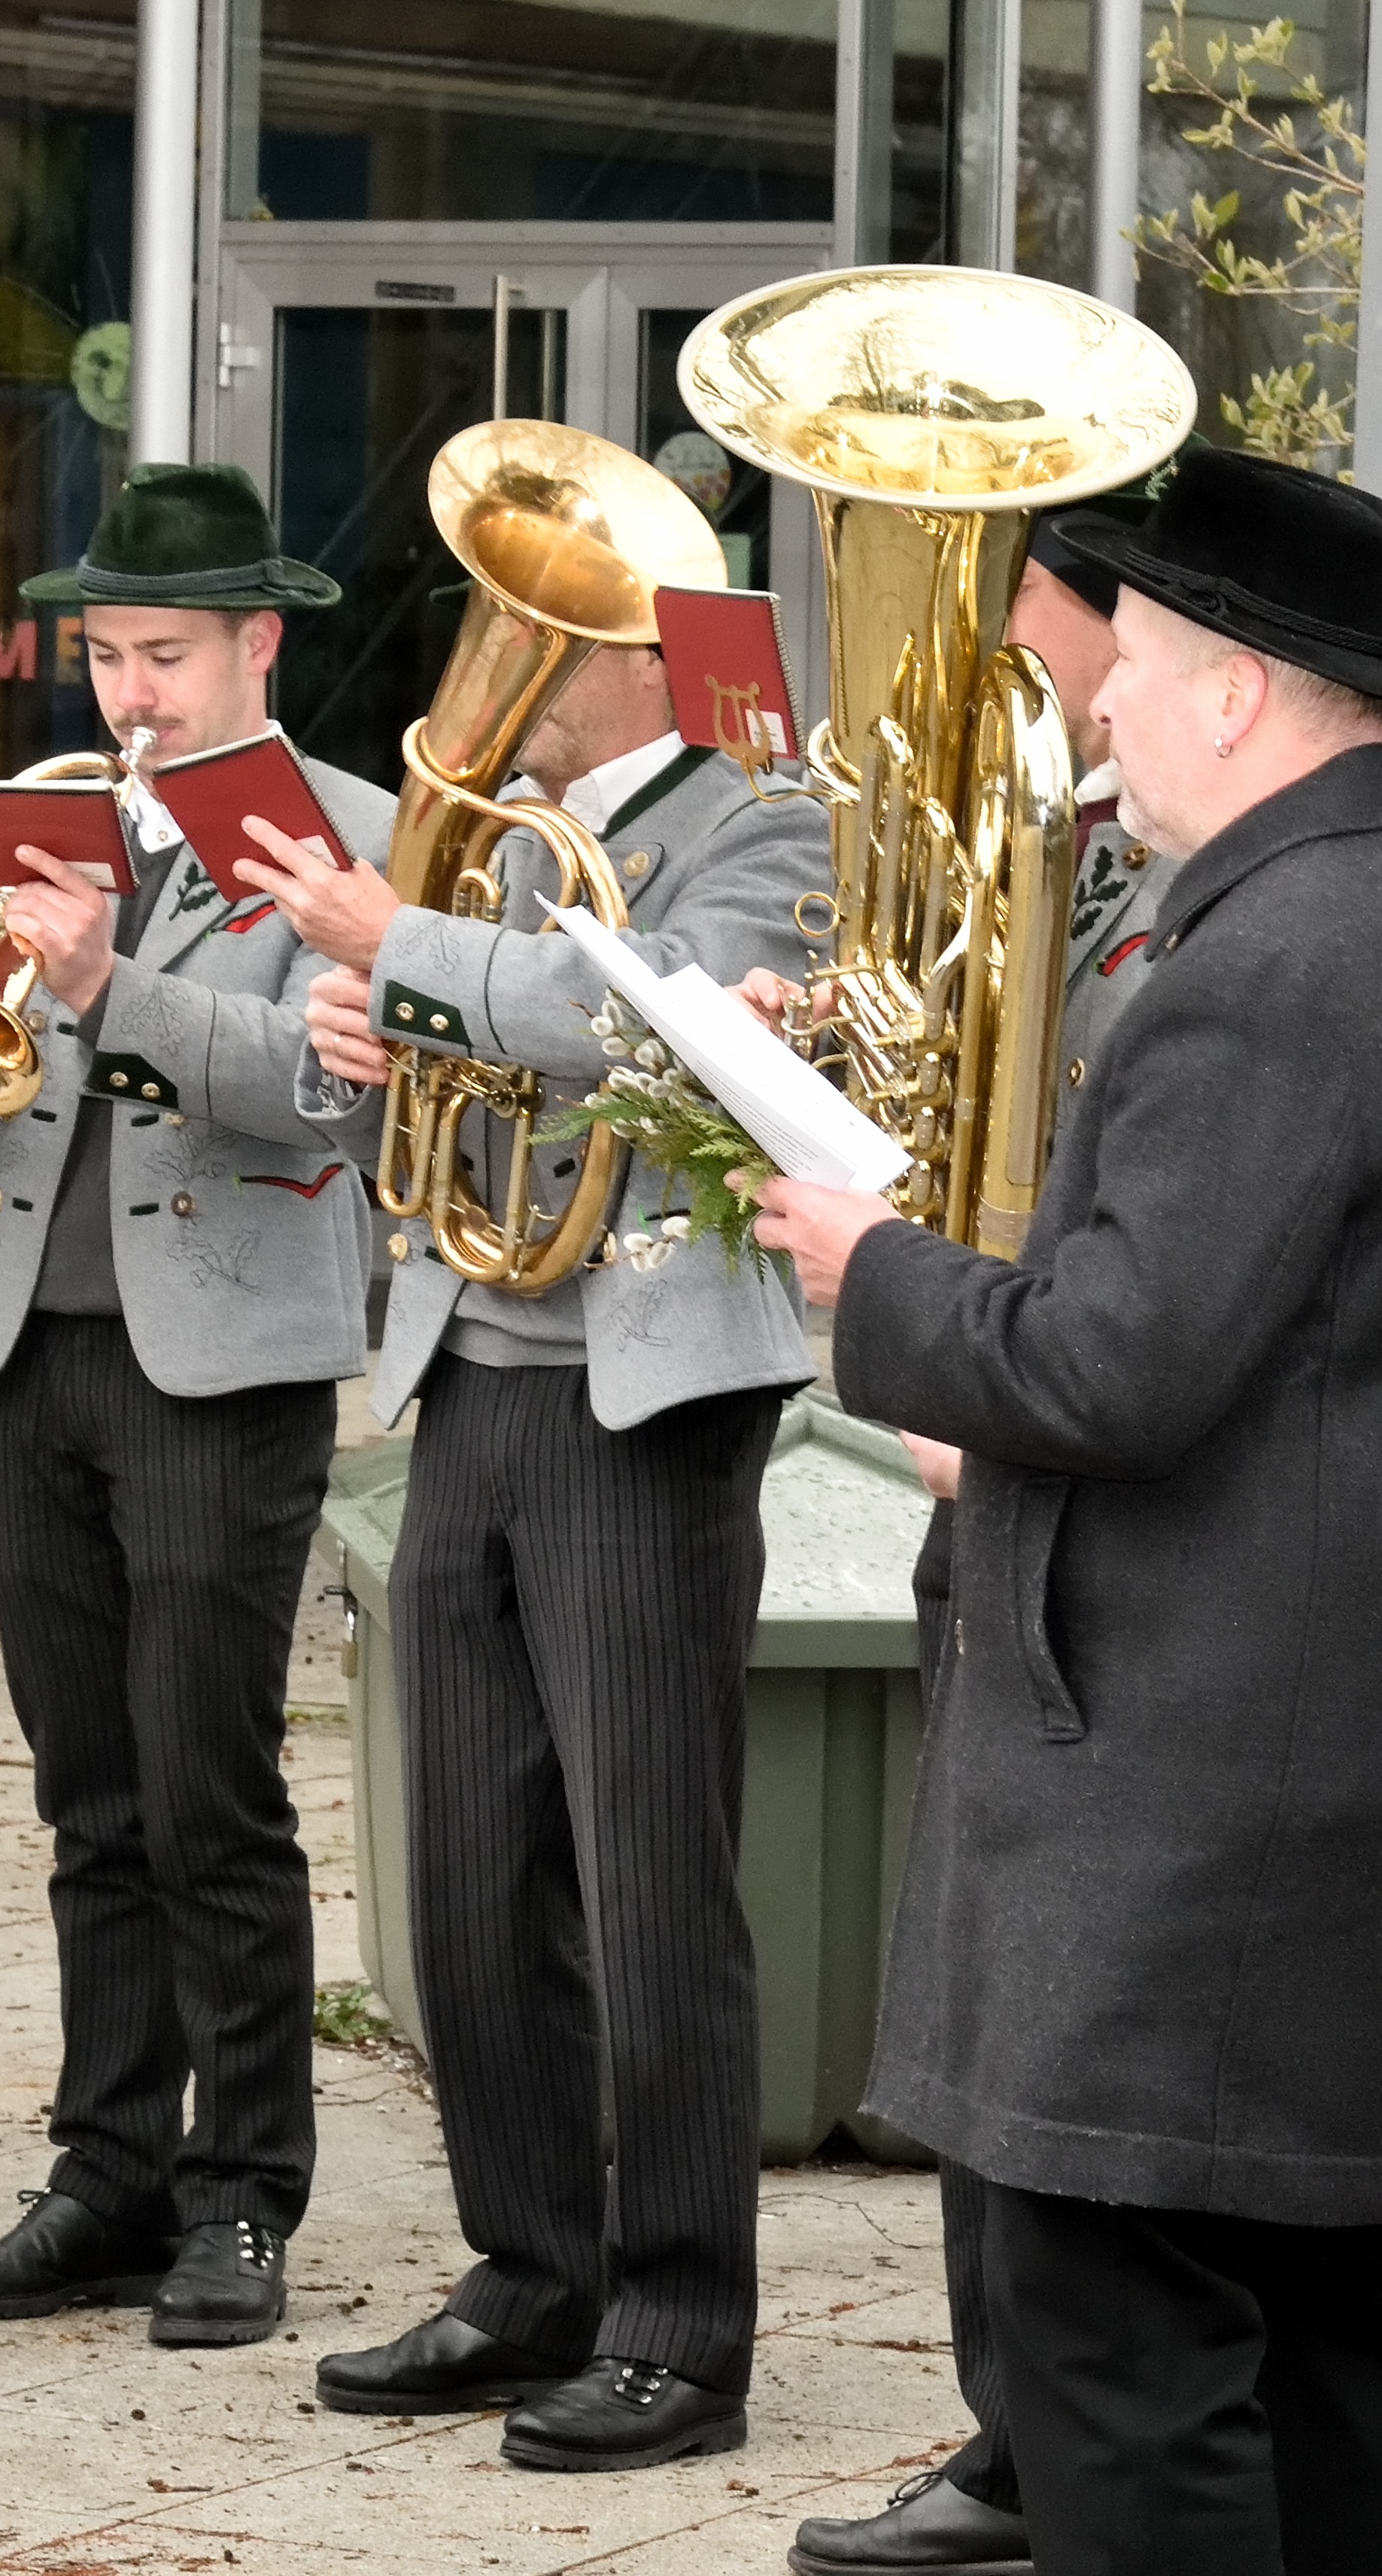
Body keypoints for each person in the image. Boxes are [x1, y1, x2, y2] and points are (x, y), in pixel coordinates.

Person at [751, 448, 1382, 2574]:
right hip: (1345, 1768)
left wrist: (874, 1271)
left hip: (1197, 1807)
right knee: (1323, 2335)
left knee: (1123, 2359)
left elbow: (1116, 1364)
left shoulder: (1277, 961)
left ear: (1229, 687)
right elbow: (1268, 1362)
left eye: (1120, 670)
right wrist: (976, 1386)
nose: (1093, 717)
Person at [249, 636, 834, 2472]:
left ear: (639, 663)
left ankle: (681, 2326)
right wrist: (359, 1038)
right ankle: (528, 2271)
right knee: (474, 1871)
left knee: (648, 1877)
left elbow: (653, 1016)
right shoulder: (494, 841)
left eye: (538, 643)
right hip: (473, 1372)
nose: (490, 677)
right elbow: (421, 1089)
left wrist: (394, 952)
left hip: (643, 1393)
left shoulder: (771, 820)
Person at [0, 464, 393, 2351]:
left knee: (209, 1791)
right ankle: (108, 2171)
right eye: (104, 656)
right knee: (89, 1795)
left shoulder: (348, 839)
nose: (130, 694)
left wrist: (109, 980)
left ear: (258, 643)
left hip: (224, 1366)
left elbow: (331, 1100)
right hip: (29, 1355)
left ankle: (245, 2193)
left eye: (164, 654)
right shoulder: (45, 818)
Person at [785, 490, 1165, 2576]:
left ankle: (1041, 2443)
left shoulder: (1162, 885)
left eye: (1014, 619)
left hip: (1043, 1447)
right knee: (970, 1967)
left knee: (1029, 1985)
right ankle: (1005, 2420)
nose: (989, 666)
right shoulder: (1063, 856)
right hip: (989, 1434)